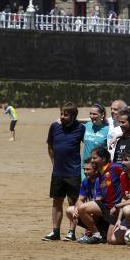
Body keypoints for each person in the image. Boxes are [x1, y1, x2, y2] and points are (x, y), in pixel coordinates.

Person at [43, 102, 85, 242]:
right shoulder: (55, 127)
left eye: (65, 115)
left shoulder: (80, 128)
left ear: (73, 116)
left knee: (72, 202)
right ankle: (55, 231)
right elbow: (50, 146)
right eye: (61, 114)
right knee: (57, 201)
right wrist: (53, 162)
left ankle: (71, 232)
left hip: (73, 171)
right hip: (58, 172)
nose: (62, 117)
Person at [82, 103, 110, 179]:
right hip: (86, 168)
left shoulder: (108, 129)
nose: (91, 116)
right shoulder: (87, 125)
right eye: (90, 114)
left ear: (102, 114)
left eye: (94, 114)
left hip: (99, 168)